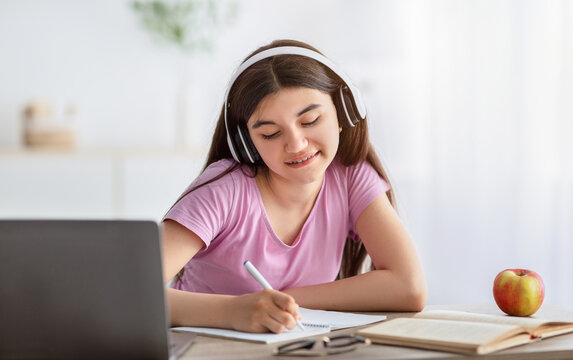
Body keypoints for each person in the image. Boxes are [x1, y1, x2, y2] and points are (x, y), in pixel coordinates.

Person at [161, 39, 427, 334]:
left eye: (310, 120)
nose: (296, 145)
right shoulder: (223, 192)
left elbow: (409, 286)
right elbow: (127, 291)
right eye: (271, 134)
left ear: (343, 113)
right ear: (247, 143)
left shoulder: (350, 178)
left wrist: (282, 303)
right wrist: (232, 311)